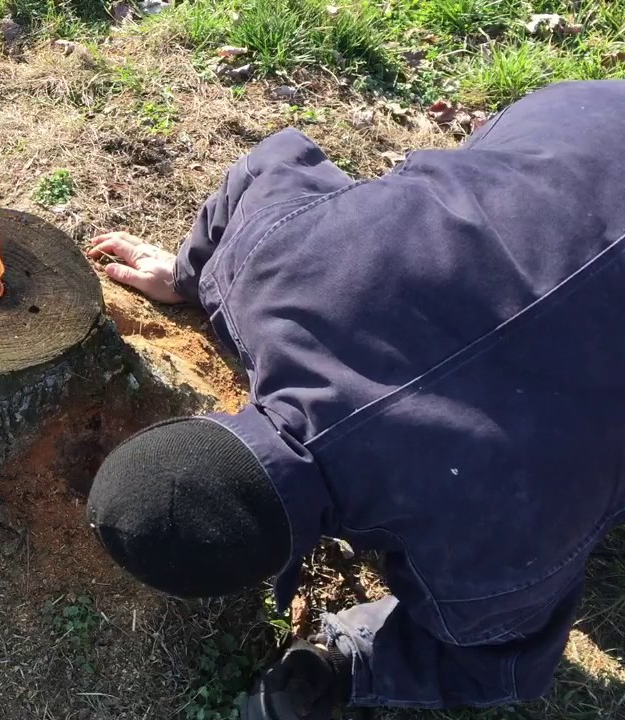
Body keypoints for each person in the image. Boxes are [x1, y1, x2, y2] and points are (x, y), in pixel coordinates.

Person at [83, 79, 625, 719]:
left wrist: (349, 654)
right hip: (591, 126)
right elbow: (270, 162)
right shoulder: (268, 262)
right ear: (204, 423)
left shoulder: (486, 557)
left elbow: (503, 661)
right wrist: (195, 271)